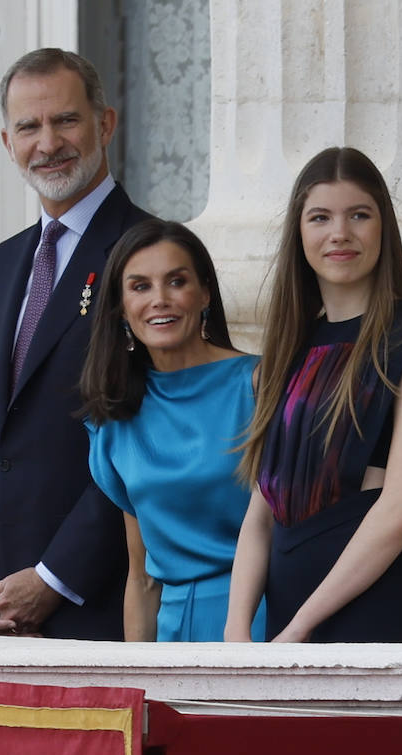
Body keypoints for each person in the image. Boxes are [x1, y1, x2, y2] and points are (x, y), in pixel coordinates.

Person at [225, 147, 402, 644]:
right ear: (300, 233)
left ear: (384, 228)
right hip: (283, 627)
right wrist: (236, 633)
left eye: (359, 214)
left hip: (372, 619)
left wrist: (298, 631)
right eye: (321, 217)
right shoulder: (288, 351)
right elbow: (260, 516)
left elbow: (400, 512)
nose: (340, 233)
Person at [0, 48, 151, 639]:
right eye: (28, 127)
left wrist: (53, 577)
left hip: (103, 605)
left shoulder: (151, 256)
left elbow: (152, 447)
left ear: (104, 123)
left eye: (65, 120)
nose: (48, 142)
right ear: (8, 142)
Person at [79, 219, 266, 642]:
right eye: (140, 286)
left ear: (204, 293)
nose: (159, 300)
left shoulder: (258, 385)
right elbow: (142, 579)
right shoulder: (115, 418)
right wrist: (140, 684)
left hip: (260, 622)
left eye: (176, 281)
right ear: (120, 307)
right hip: (173, 632)